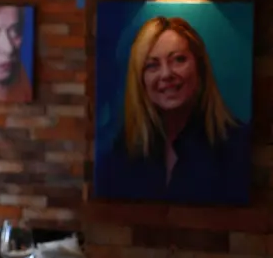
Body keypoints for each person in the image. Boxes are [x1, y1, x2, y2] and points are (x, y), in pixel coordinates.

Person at [95, 16, 249, 204]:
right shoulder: (120, 154)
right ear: (140, 80)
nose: (166, 74)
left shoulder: (238, 146)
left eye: (178, 60)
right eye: (152, 65)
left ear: (199, 69)